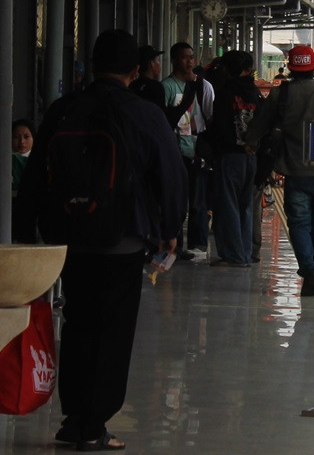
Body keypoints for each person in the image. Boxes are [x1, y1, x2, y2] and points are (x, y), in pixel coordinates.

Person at [17, 29, 187, 451]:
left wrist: (29, 233)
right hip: (121, 240)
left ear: (92, 66)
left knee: (77, 324)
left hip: (68, 241)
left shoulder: (62, 109)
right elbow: (170, 173)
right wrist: (170, 228)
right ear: (134, 70)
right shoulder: (143, 112)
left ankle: (74, 419)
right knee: (112, 332)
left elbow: (37, 175)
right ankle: (94, 424)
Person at [245, 45, 314, 296]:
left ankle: (310, 270)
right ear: (313, 68)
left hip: (296, 170)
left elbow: (260, 124)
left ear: (291, 68)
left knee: (300, 223)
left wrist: (250, 143)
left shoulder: (282, 94)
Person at [208, 50, 262, 266]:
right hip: (251, 157)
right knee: (246, 206)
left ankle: (232, 255)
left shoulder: (225, 92)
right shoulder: (255, 93)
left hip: (230, 156)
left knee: (227, 206)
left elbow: (219, 126)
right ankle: (245, 253)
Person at [162, 42, 215, 260]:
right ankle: (175, 243)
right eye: (184, 57)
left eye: (192, 57)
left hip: (197, 150)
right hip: (175, 151)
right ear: (174, 60)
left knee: (198, 200)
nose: (189, 61)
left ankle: (198, 245)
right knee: (176, 200)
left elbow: (210, 117)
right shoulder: (167, 87)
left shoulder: (204, 86)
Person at [11, 118, 34, 196]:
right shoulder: (5, 159)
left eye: (26, 137)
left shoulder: (43, 159)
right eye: (16, 137)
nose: (21, 141)